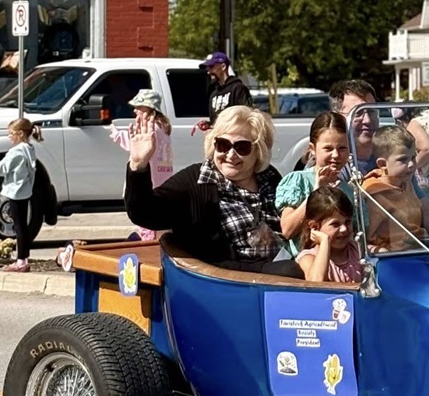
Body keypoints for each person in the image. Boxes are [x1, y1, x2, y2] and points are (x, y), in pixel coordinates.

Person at [124, 105, 303, 278]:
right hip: (229, 278)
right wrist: (138, 166)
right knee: (291, 271)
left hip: (283, 265)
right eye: (223, 145)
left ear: (259, 151)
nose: (231, 155)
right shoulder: (196, 180)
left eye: (242, 148)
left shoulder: (269, 177)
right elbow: (145, 213)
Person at [276, 111, 355, 255]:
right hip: (304, 265)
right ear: (313, 149)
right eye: (328, 149)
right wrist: (316, 190)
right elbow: (287, 230)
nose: (336, 155)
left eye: (342, 148)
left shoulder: (349, 189)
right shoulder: (298, 181)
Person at [0, 118, 43, 273]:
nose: (9, 137)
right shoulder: (29, 148)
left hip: (15, 192)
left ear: (20, 134)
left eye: (11, 133)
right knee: (22, 226)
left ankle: (21, 261)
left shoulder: (16, 152)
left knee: (19, 227)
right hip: (25, 190)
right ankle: (24, 258)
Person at [110, 89, 174, 241]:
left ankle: (147, 242)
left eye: (139, 107)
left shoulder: (151, 130)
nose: (135, 110)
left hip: (148, 183)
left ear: (149, 108)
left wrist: (114, 132)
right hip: (162, 182)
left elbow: (135, 146)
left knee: (146, 222)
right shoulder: (164, 128)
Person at [295, 187, 363, 283]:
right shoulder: (308, 258)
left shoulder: (358, 251)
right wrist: (324, 241)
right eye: (335, 224)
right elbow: (316, 282)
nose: (344, 229)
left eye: (347, 222)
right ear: (314, 227)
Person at [324, 80, 380, 180]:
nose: (367, 120)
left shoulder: (390, 155)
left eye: (372, 111)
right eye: (357, 113)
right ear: (337, 117)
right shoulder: (330, 163)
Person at [201, 52, 252, 127]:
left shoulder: (238, 89)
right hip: (217, 137)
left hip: (234, 137)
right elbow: (215, 122)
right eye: (208, 68)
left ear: (223, 67)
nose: (208, 72)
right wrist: (209, 125)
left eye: (211, 67)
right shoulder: (214, 94)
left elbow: (245, 118)